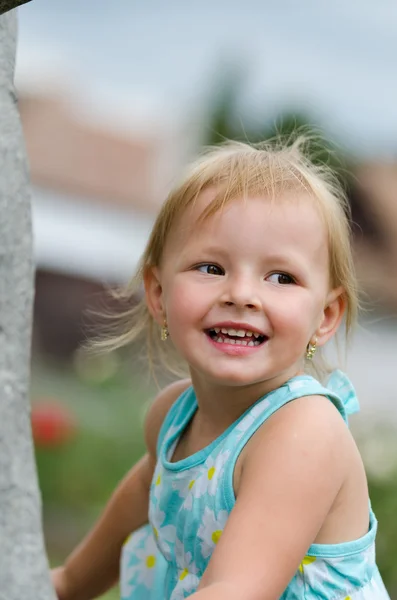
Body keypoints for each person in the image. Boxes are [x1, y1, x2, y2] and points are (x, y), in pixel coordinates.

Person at [51, 138, 390, 600]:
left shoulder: (303, 433)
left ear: (325, 317)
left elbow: (236, 590)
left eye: (281, 277)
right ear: (158, 295)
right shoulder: (172, 415)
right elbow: (143, 493)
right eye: (210, 267)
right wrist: (68, 583)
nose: (242, 294)